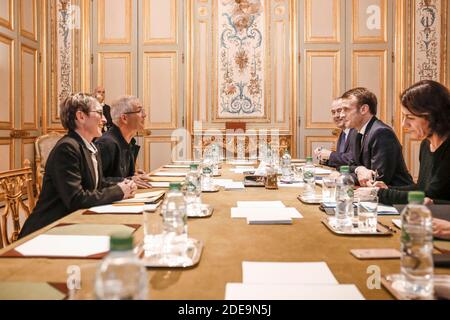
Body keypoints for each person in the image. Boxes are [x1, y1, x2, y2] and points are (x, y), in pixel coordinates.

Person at [19, 93, 137, 238]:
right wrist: (118, 191)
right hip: (48, 230)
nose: (105, 120)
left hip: (72, 224)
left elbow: (97, 183)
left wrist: (123, 183)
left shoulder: (88, 146)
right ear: (81, 116)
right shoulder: (67, 148)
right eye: (100, 113)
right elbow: (76, 199)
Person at [355, 80, 450, 206]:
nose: (404, 124)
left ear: (434, 116)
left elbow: (429, 197)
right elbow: (422, 189)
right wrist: (388, 189)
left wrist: (379, 194)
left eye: (410, 117)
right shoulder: (426, 145)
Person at [340, 87, 413, 187]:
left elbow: (378, 178)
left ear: (364, 109)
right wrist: (359, 169)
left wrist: (343, 177)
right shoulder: (354, 131)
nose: (341, 115)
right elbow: (350, 164)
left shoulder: (381, 132)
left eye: (346, 110)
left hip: (395, 196)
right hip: (370, 194)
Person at [95, 96, 152, 188]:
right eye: (139, 111)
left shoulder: (129, 141)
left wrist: (134, 177)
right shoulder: (106, 143)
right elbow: (96, 181)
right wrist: (126, 180)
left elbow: (123, 176)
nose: (144, 115)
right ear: (124, 118)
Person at [314, 98, 357, 169]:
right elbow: (341, 161)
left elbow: (352, 160)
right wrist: (325, 158)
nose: (336, 115)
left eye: (339, 111)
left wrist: (330, 155)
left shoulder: (356, 131)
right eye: (333, 112)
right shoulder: (343, 133)